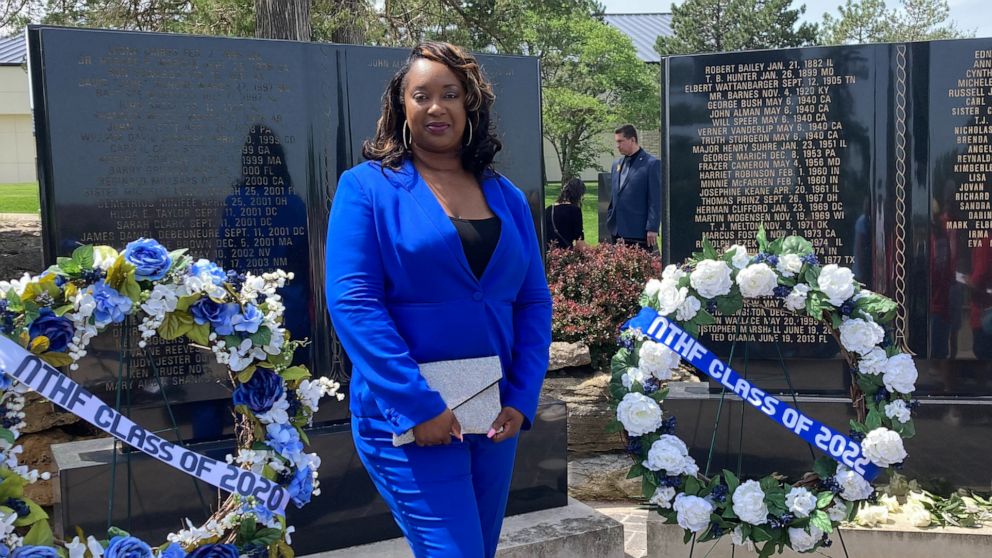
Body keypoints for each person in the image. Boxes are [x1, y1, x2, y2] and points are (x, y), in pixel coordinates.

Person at [324, 41, 552, 558]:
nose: (436, 106)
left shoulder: (506, 196)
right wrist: (416, 404)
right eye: (420, 95)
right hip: (410, 417)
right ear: (400, 108)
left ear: (469, 105)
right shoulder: (367, 188)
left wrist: (522, 397)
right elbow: (354, 302)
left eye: (450, 94)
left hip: (492, 415)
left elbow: (533, 301)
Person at [606, 124, 661, 250]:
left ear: (632, 140)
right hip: (616, 230)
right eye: (616, 142)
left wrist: (652, 227)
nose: (617, 145)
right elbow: (615, 195)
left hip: (638, 231)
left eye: (621, 141)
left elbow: (655, 199)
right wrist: (610, 216)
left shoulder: (651, 164)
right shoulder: (616, 165)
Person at [544, 177, 587, 249]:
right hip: (564, 255)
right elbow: (580, 242)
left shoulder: (549, 209)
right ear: (578, 195)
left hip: (548, 255)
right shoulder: (575, 210)